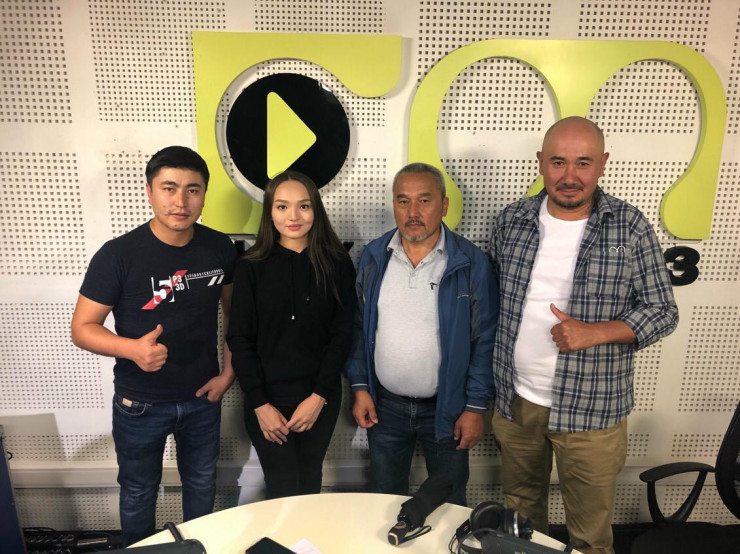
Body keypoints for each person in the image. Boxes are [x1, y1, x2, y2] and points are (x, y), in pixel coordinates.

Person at [488, 117, 678, 554]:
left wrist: (595, 333)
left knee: (590, 537)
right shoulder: (511, 221)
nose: (569, 176)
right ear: (541, 162)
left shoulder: (629, 226)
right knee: (520, 523)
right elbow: (493, 302)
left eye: (583, 163)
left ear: (603, 164)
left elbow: (663, 311)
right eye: (558, 162)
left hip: (592, 411)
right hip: (517, 403)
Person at [71, 146, 236, 546]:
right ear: (149, 192)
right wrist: (132, 349)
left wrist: (229, 373)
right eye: (169, 188)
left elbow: (235, 316)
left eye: (192, 190)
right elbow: (82, 328)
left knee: (201, 483)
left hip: (202, 398)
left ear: (204, 195)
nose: (181, 201)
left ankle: (196, 550)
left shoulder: (220, 248)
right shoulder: (118, 254)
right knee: (138, 491)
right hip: (139, 403)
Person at [347, 162, 498, 506]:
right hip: (385, 408)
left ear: (444, 206)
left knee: (448, 504)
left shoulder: (470, 262)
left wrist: (475, 407)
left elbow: (485, 339)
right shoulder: (374, 256)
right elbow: (358, 327)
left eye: (424, 201)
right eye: (403, 201)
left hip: (449, 408)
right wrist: (360, 386)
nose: (413, 212)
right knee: (383, 502)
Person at [227, 170, 356, 499]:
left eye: (304, 206)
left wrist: (318, 397)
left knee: (310, 483)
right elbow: (239, 339)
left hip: (319, 398)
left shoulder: (337, 263)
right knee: (282, 487)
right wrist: (260, 404)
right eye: (282, 207)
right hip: (267, 400)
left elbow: (342, 334)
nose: (294, 217)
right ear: (270, 212)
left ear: (316, 210)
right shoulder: (250, 266)